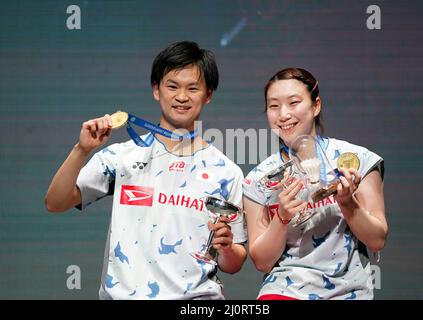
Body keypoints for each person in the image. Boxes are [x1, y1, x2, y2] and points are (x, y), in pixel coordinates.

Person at [45, 41, 247, 300]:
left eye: (192, 88)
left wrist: (227, 248)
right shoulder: (122, 156)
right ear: (156, 90)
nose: (181, 96)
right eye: (172, 86)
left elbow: (234, 263)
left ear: (208, 94)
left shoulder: (227, 172)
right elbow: (56, 202)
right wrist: (81, 150)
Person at [243, 67, 387, 300]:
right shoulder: (258, 179)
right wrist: (281, 217)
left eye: (293, 102)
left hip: (348, 290)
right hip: (285, 289)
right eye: (273, 106)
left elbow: (377, 239)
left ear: (316, 105)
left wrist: (347, 203)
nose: (283, 114)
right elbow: (262, 261)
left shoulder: (357, 160)